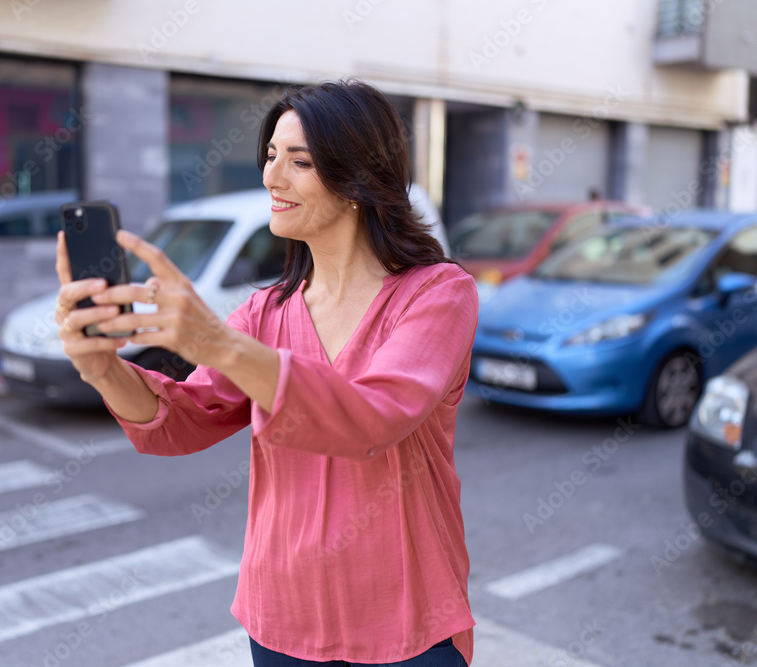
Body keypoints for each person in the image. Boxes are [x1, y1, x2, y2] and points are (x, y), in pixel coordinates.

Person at [54, 80, 478, 666]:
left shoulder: (436, 294)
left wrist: (219, 344)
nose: (272, 177)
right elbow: (182, 420)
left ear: (358, 179)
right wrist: (103, 368)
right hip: (282, 618)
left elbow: (375, 418)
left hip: (406, 619)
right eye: (271, 156)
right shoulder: (265, 312)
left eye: (299, 161)